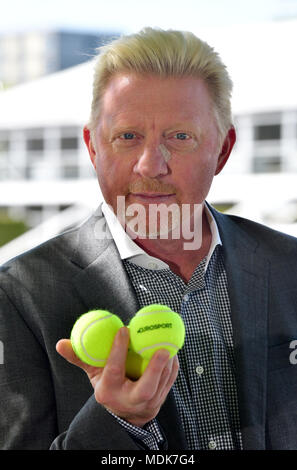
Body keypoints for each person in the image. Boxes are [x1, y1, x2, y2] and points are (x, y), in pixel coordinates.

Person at [1, 27, 297, 451]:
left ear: (222, 151)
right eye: (127, 137)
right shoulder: (17, 295)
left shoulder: (290, 267)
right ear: (93, 148)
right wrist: (117, 421)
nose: (150, 165)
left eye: (180, 137)